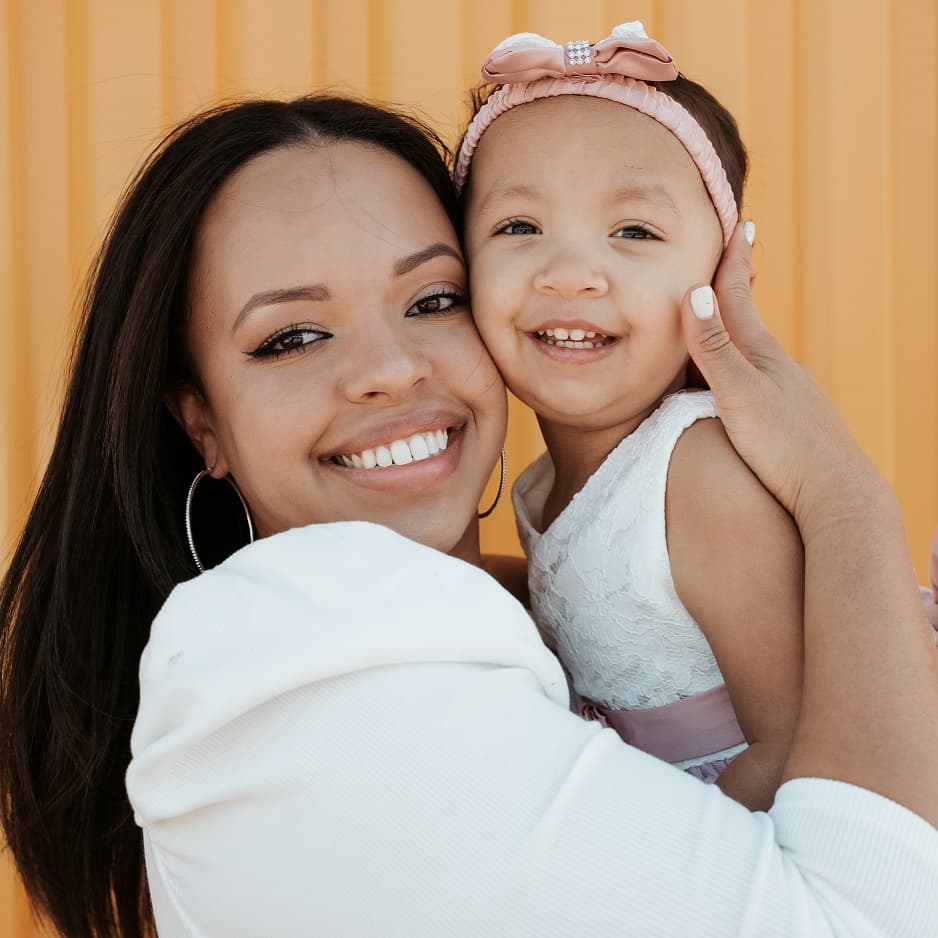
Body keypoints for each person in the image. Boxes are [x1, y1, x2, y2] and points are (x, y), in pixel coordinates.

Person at [0, 95, 935, 938]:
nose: (391, 367)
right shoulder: (285, 668)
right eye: (291, 336)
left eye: (433, 298)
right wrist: (845, 498)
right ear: (202, 421)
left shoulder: (545, 580)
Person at [456, 22, 796, 808]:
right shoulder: (549, 481)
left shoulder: (699, 471)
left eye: (634, 231)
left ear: (720, 270)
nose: (571, 274)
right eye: (519, 227)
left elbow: (801, 738)